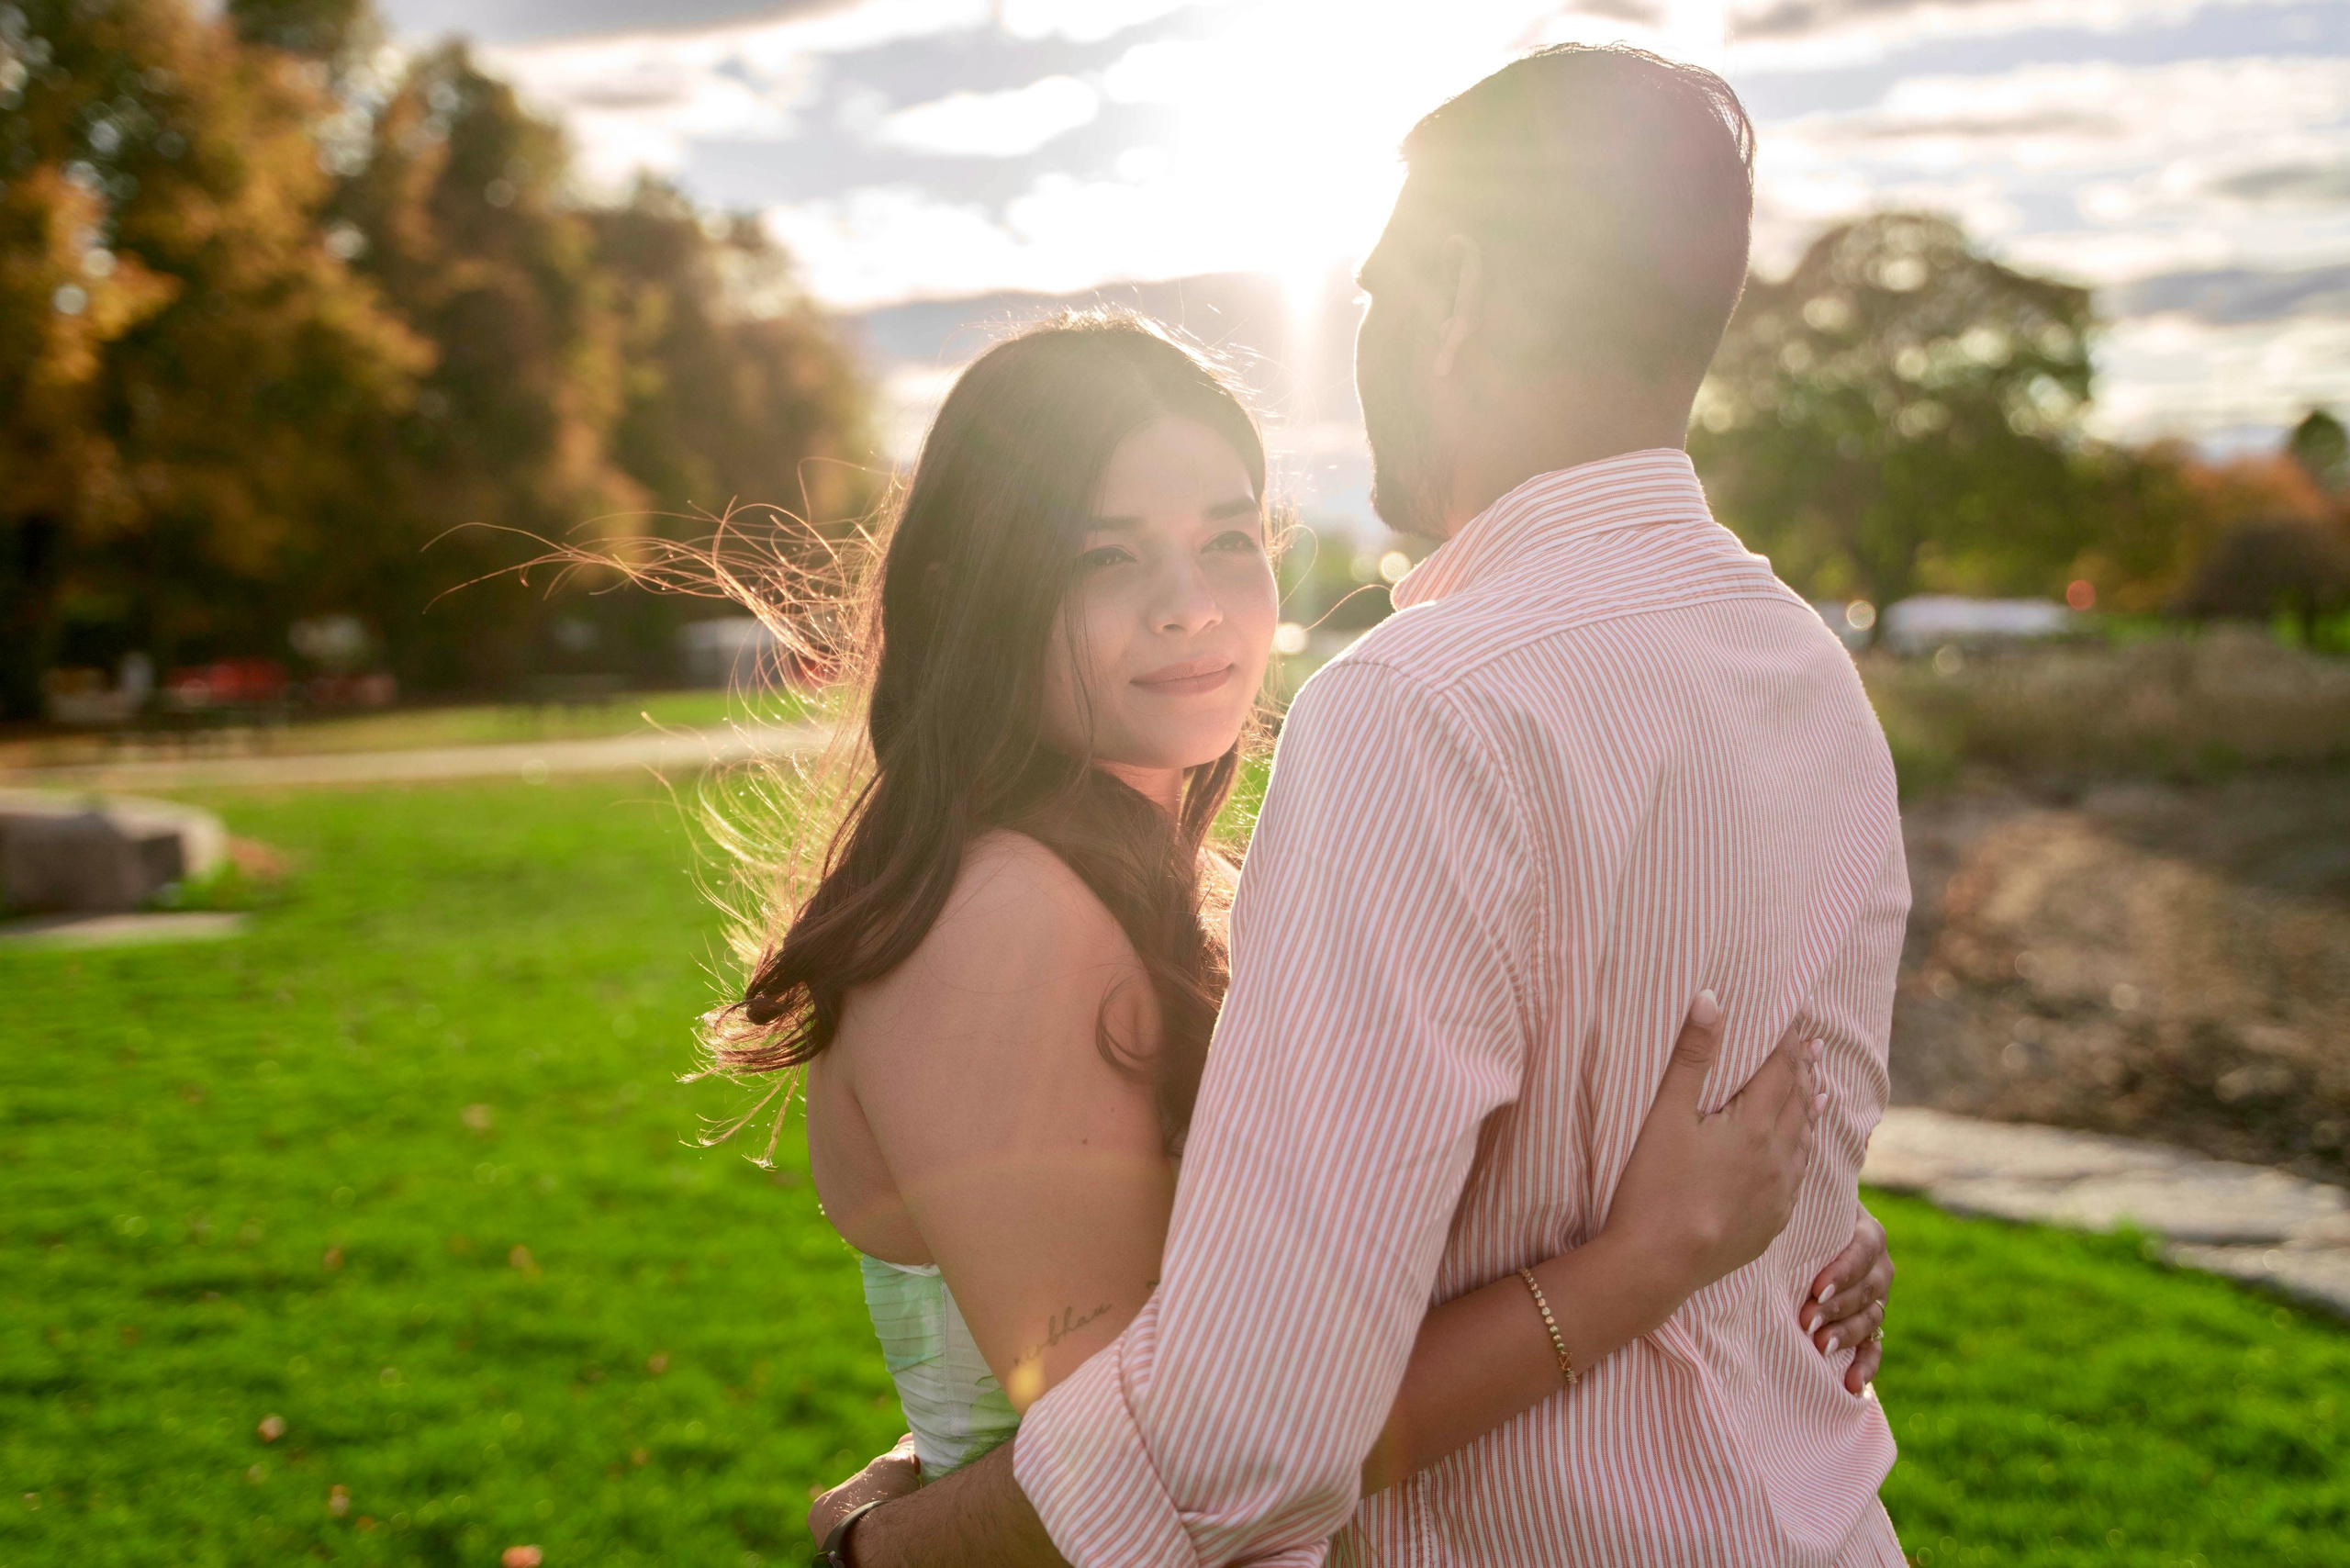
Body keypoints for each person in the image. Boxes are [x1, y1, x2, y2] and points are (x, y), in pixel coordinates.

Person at [800, 41, 1908, 1568]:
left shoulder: (1421, 708)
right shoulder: (1805, 672)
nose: (1191, 610)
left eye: (1378, 294)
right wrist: (1698, 1260)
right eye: (1104, 555)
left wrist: (886, 1555)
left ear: (1450, 296)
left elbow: (1243, 1440)